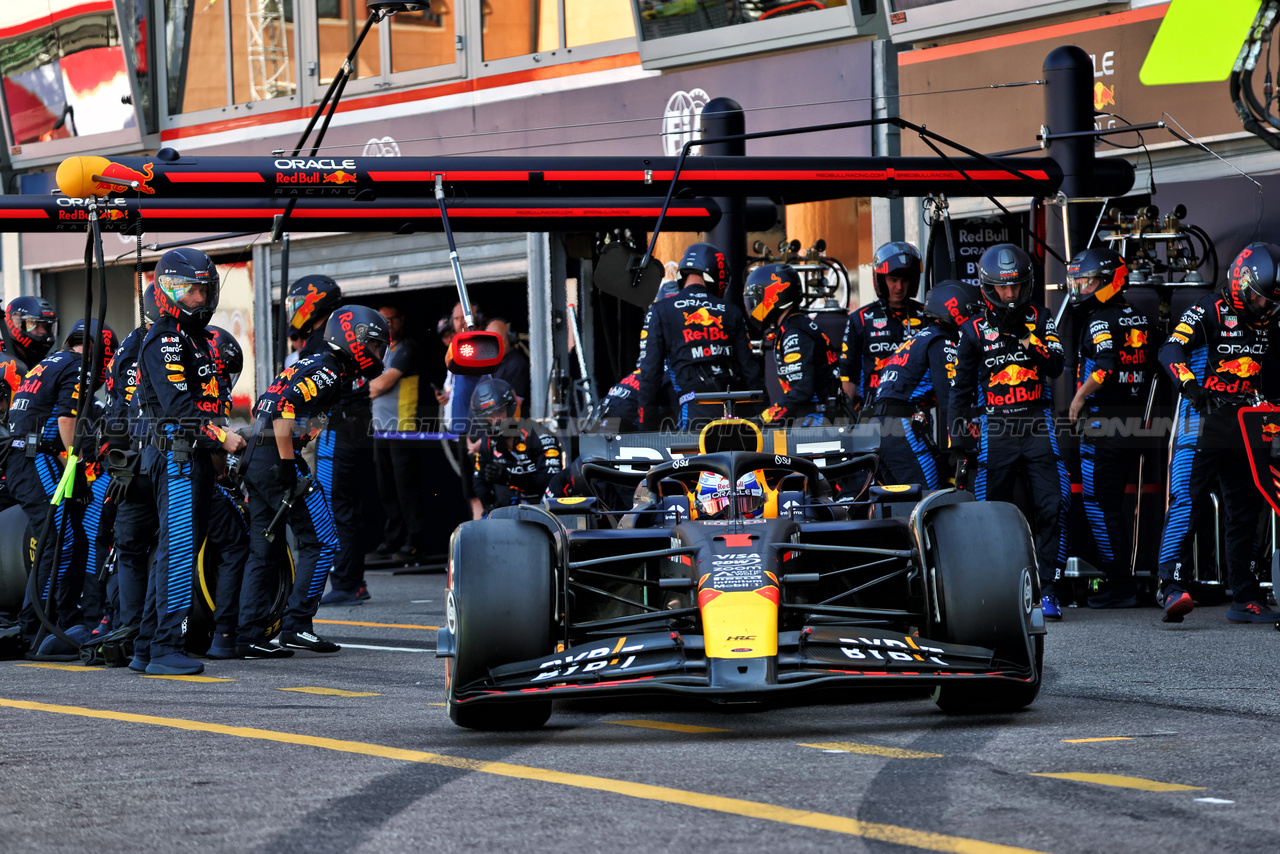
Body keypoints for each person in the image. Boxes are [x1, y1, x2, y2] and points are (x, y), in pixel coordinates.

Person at [237, 305, 391, 657]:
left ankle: (247, 635)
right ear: (355, 341)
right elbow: (284, 409)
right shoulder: (327, 370)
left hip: (258, 459)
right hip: (277, 460)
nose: (378, 354)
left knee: (264, 549)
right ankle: (297, 626)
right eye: (376, 345)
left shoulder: (317, 365)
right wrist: (289, 465)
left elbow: (283, 409)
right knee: (322, 541)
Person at [134, 248, 246, 676]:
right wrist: (224, 437)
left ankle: (146, 647)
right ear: (167, 291)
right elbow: (180, 408)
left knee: (172, 549)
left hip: (192, 458)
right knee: (178, 551)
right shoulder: (165, 338)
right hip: (176, 455)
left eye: (205, 289)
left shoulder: (193, 338)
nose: (200, 298)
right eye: (191, 290)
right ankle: (166, 647)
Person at [1156, 242, 1280, 624]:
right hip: (1201, 416)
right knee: (1187, 501)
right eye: (1261, 300)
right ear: (1242, 284)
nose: (1266, 308)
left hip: (1246, 422)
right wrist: (1191, 387)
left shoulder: (1270, 319)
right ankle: (1170, 585)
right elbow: (1169, 351)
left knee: (1245, 508)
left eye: (1271, 302)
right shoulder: (1206, 309)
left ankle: (1244, 596)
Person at [950, 244, 1069, 620]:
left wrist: (1027, 338)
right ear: (988, 287)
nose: (1010, 295)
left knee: (1054, 503)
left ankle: (1048, 589)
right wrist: (959, 443)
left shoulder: (1042, 316)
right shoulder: (971, 330)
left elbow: (1056, 366)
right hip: (994, 427)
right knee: (989, 511)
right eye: (1002, 288)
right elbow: (960, 391)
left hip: (1037, 423)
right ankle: (990, 590)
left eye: (1016, 286)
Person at [9, 318, 113, 657]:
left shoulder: (49, 361)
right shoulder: (77, 365)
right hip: (34, 455)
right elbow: (67, 420)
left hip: (28, 454)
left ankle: (62, 620)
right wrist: (79, 464)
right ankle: (36, 629)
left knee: (72, 538)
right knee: (61, 538)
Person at [1064, 247, 1152, 609]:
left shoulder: (1099, 321)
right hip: (1136, 423)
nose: (1082, 288)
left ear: (1110, 280)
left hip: (1103, 425)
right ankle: (1125, 579)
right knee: (1117, 503)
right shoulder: (1141, 318)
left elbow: (1105, 366)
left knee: (1101, 505)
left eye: (1089, 281)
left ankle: (1120, 583)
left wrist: (1078, 398)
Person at [288, 274, 375, 593]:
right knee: (350, 504)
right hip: (358, 427)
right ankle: (353, 580)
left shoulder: (321, 339)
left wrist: (298, 433)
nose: (293, 311)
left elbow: (315, 398)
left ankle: (347, 582)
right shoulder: (345, 331)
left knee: (335, 503)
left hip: (337, 428)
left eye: (297, 304)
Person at [635, 242, 762, 430]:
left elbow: (649, 373)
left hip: (694, 410)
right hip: (734, 411)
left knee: (697, 459)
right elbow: (751, 371)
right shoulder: (731, 311)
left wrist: (644, 424)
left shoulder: (661, 310)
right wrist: (763, 415)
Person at [867, 280, 979, 490]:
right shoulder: (942, 340)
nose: (977, 320)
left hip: (880, 427)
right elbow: (950, 397)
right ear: (955, 309)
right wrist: (960, 445)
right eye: (973, 312)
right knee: (929, 498)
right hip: (900, 427)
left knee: (899, 503)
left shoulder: (919, 338)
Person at [351, 302, 429, 593]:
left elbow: (382, 384)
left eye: (392, 319)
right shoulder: (382, 349)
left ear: (401, 319)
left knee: (405, 487)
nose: (388, 324)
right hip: (381, 430)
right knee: (386, 486)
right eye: (383, 320)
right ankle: (393, 538)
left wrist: (353, 395)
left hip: (403, 429)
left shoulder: (406, 348)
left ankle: (414, 542)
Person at [102, 287, 156, 644]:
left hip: (126, 462)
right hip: (162, 459)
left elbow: (115, 410)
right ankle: (158, 635)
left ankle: (129, 628)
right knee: (171, 546)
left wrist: (118, 459)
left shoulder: (126, 349)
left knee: (129, 549)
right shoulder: (173, 341)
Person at [201, 325, 252, 658]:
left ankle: (108, 621)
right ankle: (224, 634)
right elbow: (213, 446)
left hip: (137, 473)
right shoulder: (207, 382)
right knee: (237, 542)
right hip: (184, 477)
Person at [742, 262, 839, 426]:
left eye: (755, 299)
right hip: (815, 418)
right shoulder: (793, 326)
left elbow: (801, 390)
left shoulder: (795, 332)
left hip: (817, 421)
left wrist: (764, 418)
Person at [839, 241, 926, 408]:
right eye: (893, 280)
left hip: (916, 411)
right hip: (874, 411)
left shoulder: (926, 316)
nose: (899, 287)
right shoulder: (861, 319)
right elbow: (848, 374)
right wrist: (845, 416)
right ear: (881, 279)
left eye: (905, 280)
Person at [470, 378, 562, 515]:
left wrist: (511, 479)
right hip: (505, 516)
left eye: (499, 412)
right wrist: (489, 507)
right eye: (489, 416)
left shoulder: (540, 436)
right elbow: (479, 480)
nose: (496, 420)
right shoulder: (487, 442)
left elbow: (553, 480)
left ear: (511, 408)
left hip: (543, 513)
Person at [0, 298, 57, 513]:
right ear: (16, 322)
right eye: (35, 325)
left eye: (46, 326)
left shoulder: (46, 362)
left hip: (35, 450)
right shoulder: (3, 357)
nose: (42, 332)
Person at [436, 302, 486, 520]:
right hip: (460, 430)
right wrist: (447, 399)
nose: (461, 322)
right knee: (469, 489)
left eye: (466, 317)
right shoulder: (455, 349)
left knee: (482, 486)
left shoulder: (480, 345)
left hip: (478, 429)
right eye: (457, 318)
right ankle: (477, 531)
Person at [486, 317, 531, 405]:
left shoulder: (516, 365)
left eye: (498, 339)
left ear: (510, 338)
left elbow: (514, 406)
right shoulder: (492, 362)